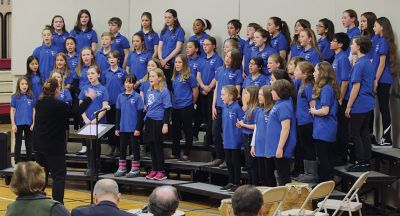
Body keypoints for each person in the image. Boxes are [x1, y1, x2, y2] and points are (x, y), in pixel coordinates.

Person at [32, 78, 95, 203]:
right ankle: (58, 204)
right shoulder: (59, 105)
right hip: (54, 147)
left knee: (41, 176)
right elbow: (75, 112)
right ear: (56, 89)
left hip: (39, 145)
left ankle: (37, 202)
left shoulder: (39, 103)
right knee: (59, 177)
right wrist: (89, 99)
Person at [207, 49, 242, 168]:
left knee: (228, 134)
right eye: (226, 56)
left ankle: (229, 160)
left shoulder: (237, 72)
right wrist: (213, 106)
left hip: (229, 108)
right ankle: (219, 157)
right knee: (215, 132)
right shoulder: (219, 70)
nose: (227, 59)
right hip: (218, 107)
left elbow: (237, 93)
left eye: (230, 57)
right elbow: (216, 89)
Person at [345, 36, 375, 172]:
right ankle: (366, 160)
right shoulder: (368, 62)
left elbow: (356, 87)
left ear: (359, 47)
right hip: (368, 103)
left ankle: (360, 161)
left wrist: (349, 106)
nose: (351, 46)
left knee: (355, 133)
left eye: (353, 44)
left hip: (359, 103)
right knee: (364, 132)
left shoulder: (360, 64)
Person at [309, 62, 339, 182]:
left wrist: (313, 111)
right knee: (324, 156)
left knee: (324, 157)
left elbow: (325, 111)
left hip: (325, 127)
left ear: (322, 73)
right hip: (323, 127)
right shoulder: (326, 88)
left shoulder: (326, 89)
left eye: (316, 71)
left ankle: (325, 183)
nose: (314, 74)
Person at [371, 17, 398, 147]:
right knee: (381, 108)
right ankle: (385, 137)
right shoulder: (379, 40)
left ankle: (387, 138)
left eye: (375, 26)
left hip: (384, 79)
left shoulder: (384, 42)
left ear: (382, 27)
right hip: (379, 78)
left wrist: (376, 80)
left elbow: (382, 64)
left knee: (384, 108)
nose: (373, 28)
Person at [78, 65, 109, 175]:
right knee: (89, 145)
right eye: (88, 74)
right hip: (87, 121)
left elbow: (105, 106)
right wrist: (85, 118)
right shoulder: (85, 89)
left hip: (98, 122)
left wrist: (97, 119)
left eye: (92, 73)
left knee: (96, 145)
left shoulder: (103, 89)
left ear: (98, 74)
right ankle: (90, 166)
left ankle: (97, 167)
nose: (90, 75)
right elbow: (80, 105)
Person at [267, 79, 297, 185]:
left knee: (283, 175)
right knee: (280, 173)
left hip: (283, 146)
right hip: (277, 146)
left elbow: (286, 128)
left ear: (279, 92)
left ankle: (287, 200)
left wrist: (280, 148)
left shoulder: (284, 105)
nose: (271, 92)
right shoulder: (279, 103)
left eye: (273, 90)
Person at [144, 68, 172, 181]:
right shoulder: (149, 91)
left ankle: (161, 171)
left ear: (159, 78)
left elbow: (167, 108)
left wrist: (165, 124)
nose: (150, 78)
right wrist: (145, 122)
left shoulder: (164, 91)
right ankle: (154, 169)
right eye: (150, 76)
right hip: (150, 120)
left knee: (158, 147)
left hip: (159, 121)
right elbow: (149, 108)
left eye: (153, 76)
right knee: (151, 146)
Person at [114, 75, 144, 177]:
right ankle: (122, 168)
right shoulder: (120, 96)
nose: (128, 85)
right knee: (122, 148)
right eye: (126, 82)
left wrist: (138, 128)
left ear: (134, 84)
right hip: (123, 127)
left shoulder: (137, 97)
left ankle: (135, 169)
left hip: (133, 128)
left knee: (135, 148)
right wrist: (117, 127)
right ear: (124, 83)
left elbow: (140, 114)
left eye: (131, 82)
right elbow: (118, 113)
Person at [170, 54, 198, 161]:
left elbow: (195, 91)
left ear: (184, 63)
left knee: (187, 130)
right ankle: (175, 152)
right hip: (176, 107)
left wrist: (191, 103)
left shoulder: (189, 76)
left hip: (186, 106)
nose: (177, 64)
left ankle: (187, 153)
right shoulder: (174, 76)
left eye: (179, 62)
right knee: (175, 131)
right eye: (176, 62)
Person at [197, 36, 223, 146]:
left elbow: (217, 76)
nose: (205, 46)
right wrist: (203, 87)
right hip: (202, 91)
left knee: (210, 116)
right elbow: (198, 76)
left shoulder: (218, 59)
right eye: (204, 45)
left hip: (212, 92)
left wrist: (208, 88)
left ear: (213, 46)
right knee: (202, 115)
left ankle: (209, 139)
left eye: (207, 44)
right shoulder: (201, 59)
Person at [293, 61, 316, 183]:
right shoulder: (302, 84)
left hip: (307, 122)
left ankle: (312, 173)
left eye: (297, 70)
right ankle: (307, 172)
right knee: (303, 146)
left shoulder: (308, 87)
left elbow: (313, 105)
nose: (295, 72)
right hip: (301, 121)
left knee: (308, 147)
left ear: (305, 73)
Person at [331, 33, 351, 166]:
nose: (331, 43)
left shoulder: (343, 58)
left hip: (341, 98)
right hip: (336, 96)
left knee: (341, 128)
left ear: (340, 44)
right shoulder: (336, 57)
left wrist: (340, 97)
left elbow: (345, 80)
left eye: (333, 41)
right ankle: (338, 154)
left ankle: (342, 156)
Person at [103, 50, 127, 157]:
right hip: (109, 103)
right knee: (110, 125)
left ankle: (118, 147)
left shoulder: (123, 72)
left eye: (114, 57)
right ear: (107, 60)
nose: (112, 59)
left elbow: (125, 87)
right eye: (110, 58)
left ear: (118, 59)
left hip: (120, 103)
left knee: (119, 125)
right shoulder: (105, 73)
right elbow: (103, 87)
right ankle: (111, 146)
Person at [219, 85, 244, 192]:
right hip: (227, 138)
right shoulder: (224, 107)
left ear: (231, 96)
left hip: (235, 139)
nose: (221, 97)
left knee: (235, 161)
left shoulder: (236, 107)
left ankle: (237, 183)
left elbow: (242, 122)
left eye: (223, 94)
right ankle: (231, 181)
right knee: (228, 161)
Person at [251, 86, 276, 186]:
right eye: (259, 95)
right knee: (262, 175)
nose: (259, 97)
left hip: (268, 148)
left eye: (262, 95)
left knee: (269, 175)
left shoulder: (272, 111)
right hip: (259, 147)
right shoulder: (258, 111)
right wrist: (253, 145)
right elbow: (256, 128)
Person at [237, 86, 259, 185]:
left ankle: (253, 186)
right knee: (248, 164)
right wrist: (241, 124)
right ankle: (249, 185)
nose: (244, 96)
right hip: (246, 137)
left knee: (252, 164)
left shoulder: (256, 109)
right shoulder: (249, 108)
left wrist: (243, 125)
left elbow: (256, 126)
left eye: (246, 94)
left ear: (253, 96)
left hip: (251, 138)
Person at [10, 76, 35, 163]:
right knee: (18, 143)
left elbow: (34, 110)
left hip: (28, 123)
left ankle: (29, 160)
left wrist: (33, 123)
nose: (24, 86)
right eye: (22, 84)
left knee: (29, 143)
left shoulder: (31, 96)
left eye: (26, 84)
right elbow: (12, 110)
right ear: (19, 85)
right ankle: (17, 160)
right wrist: (13, 124)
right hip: (18, 124)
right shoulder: (15, 97)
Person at [158, 9, 185, 89]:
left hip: (172, 63)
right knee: (163, 85)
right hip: (162, 63)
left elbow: (178, 48)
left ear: (175, 18)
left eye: (169, 17)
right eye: (165, 17)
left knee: (171, 86)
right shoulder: (163, 31)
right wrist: (161, 60)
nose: (167, 19)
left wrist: (165, 60)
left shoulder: (179, 31)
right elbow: (160, 47)